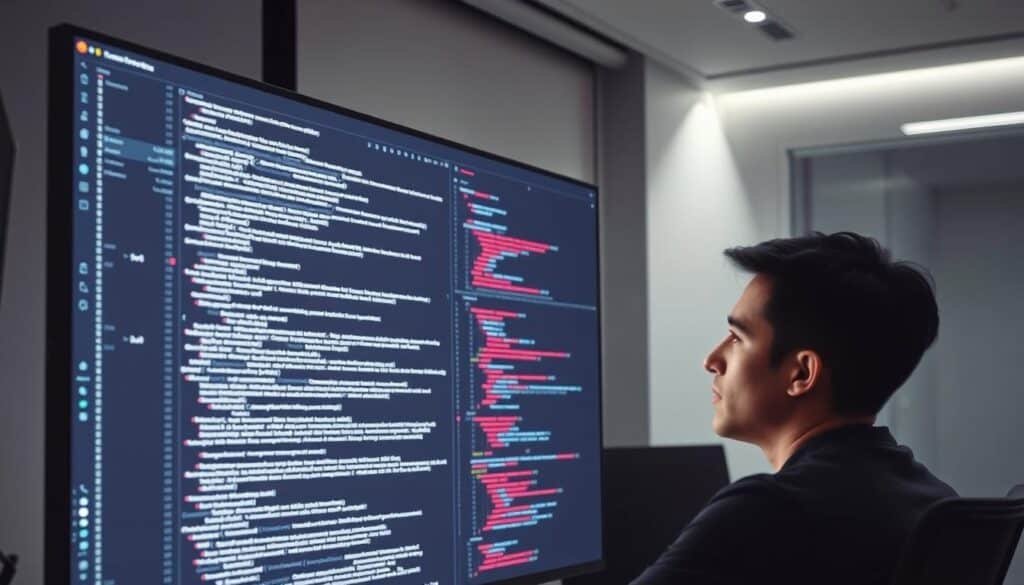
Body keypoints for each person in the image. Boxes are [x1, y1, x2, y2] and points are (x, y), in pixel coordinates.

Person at [630, 231, 956, 585]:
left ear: (801, 373)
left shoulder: (770, 508)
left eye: (738, 338)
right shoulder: (934, 499)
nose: (712, 360)